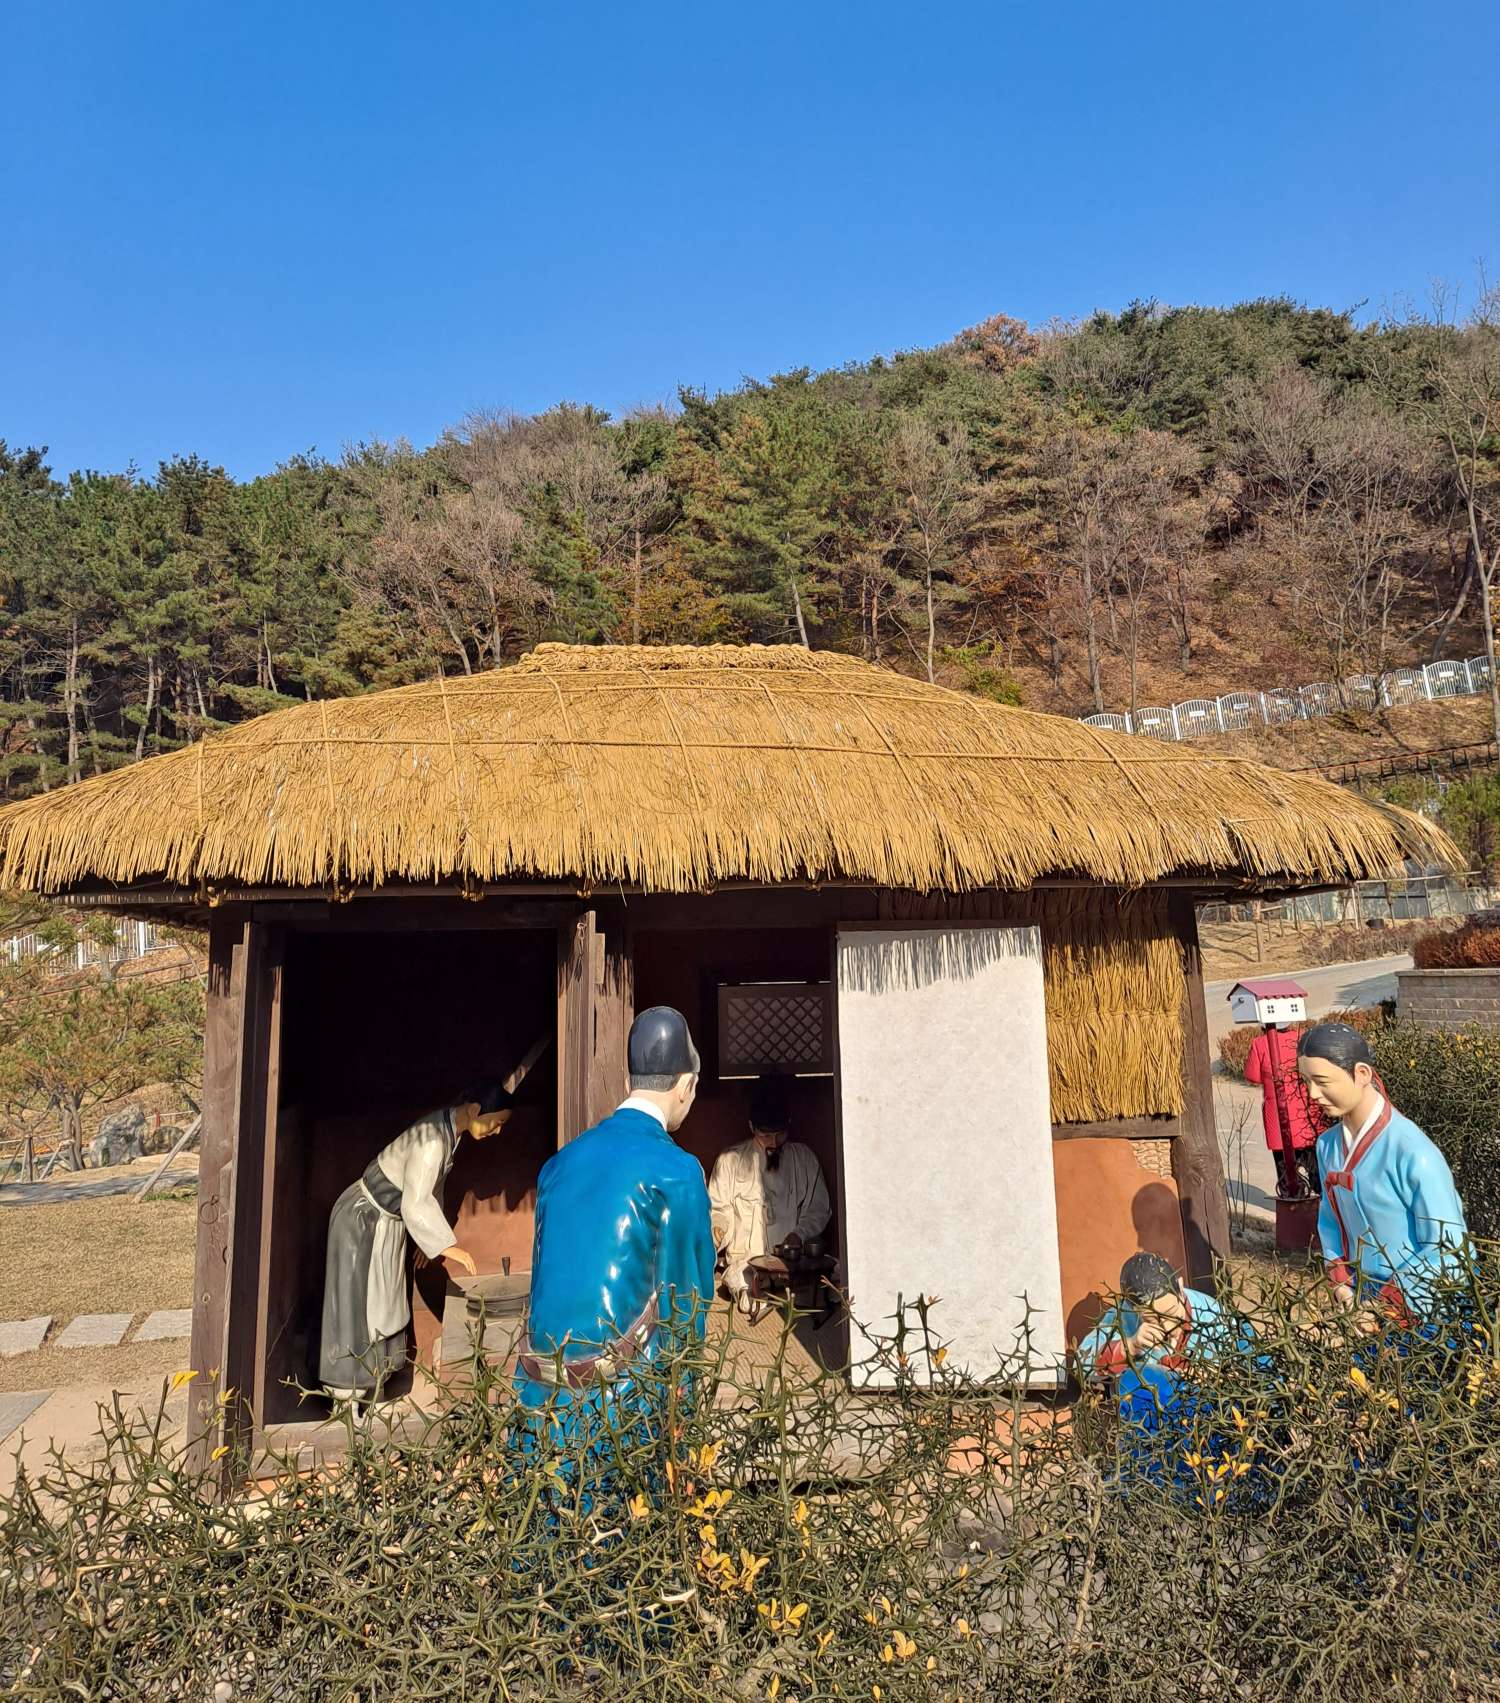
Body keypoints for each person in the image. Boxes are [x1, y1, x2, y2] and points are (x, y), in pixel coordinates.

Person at [515, 1006, 716, 1422]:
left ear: (628, 1082)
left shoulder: (557, 1166)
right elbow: (686, 1309)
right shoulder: (678, 1174)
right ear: (686, 1085)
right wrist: (687, 1417)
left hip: (536, 1403)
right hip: (622, 1413)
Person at [320, 1083, 513, 1400]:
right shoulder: (433, 1141)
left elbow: (427, 1193)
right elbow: (416, 1204)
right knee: (358, 1308)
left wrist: (428, 1242)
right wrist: (447, 1246)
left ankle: (373, 1389)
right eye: (497, 1123)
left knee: (382, 1308)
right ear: (477, 1111)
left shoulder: (449, 1133)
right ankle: (350, 1398)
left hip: (385, 1225)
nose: (497, 1131)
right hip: (362, 1222)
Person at [1297, 1021, 1467, 1321]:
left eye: (1323, 1081)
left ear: (1361, 1074)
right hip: (1360, 1300)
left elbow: (1449, 1249)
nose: (1312, 1094)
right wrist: (1340, 1280)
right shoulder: (1328, 1147)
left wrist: (1387, 1305)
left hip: (1424, 1309)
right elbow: (1329, 1220)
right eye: (1306, 1081)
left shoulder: (1414, 1153)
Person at [708, 1073, 832, 1315]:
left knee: (823, 1285)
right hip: (747, 1262)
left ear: (789, 1123)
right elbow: (718, 1209)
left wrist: (799, 1234)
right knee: (743, 1287)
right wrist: (717, 1230)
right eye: (765, 1136)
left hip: (793, 1263)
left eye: (779, 1134)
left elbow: (819, 1209)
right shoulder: (730, 1160)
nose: (774, 1143)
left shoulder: (803, 1158)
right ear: (752, 1127)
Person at [1075, 1251, 1239, 1383]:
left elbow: (1241, 1366)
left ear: (1180, 1289)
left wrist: (1214, 1377)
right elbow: (1079, 1367)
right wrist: (1129, 1347)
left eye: (1171, 1313)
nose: (1167, 1327)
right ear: (1133, 1309)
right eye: (1153, 1319)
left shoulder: (1214, 1315)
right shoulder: (1123, 1316)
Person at [1243, 1023, 1320, 1195]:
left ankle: (1292, 1199)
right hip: (1307, 1109)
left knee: (1284, 1165)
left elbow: (1252, 1076)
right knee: (1315, 1162)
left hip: (1278, 1114)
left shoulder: (1260, 1043)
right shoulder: (1303, 1038)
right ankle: (1324, 1199)